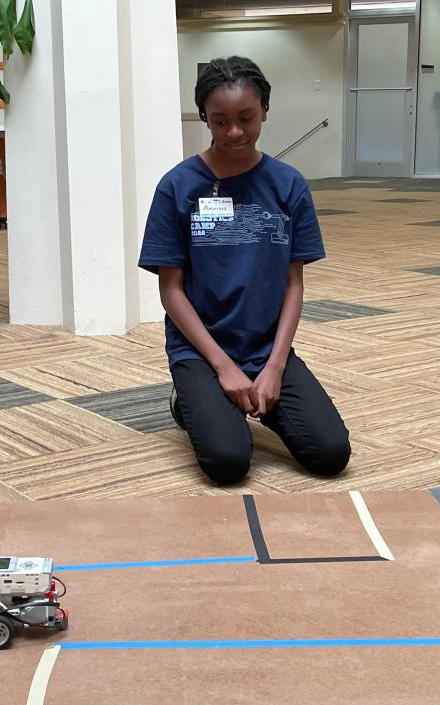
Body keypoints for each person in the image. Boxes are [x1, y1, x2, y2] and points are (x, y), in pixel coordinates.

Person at [138, 56, 351, 485]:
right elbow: (171, 291)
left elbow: (294, 283)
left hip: (265, 346)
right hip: (201, 350)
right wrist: (222, 367)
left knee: (330, 454)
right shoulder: (178, 186)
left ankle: (256, 400)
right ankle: (189, 399)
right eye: (219, 121)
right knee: (228, 463)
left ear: (265, 111)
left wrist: (273, 366)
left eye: (246, 118)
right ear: (204, 118)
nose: (234, 131)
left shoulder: (288, 184)